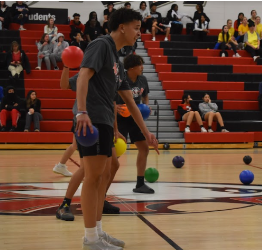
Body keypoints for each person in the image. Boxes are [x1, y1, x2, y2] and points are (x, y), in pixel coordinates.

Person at [75, 7, 158, 249]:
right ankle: (90, 239)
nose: (138, 34)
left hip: (103, 120)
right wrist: (81, 112)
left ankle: (97, 232)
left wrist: (146, 133)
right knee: (93, 178)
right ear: (122, 27)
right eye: (136, 28)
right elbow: (82, 75)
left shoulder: (116, 59)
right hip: (91, 119)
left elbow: (130, 101)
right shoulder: (101, 45)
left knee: (105, 173)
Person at [54, 67, 123, 216]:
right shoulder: (87, 71)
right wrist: (66, 66)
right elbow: (64, 85)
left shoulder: (111, 74)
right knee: (86, 168)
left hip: (105, 123)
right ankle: (64, 204)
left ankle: (100, 199)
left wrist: (115, 129)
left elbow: (113, 104)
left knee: (114, 164)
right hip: (88, 123)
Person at [116, 54, 156, 193]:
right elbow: (109, 96)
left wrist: (146, 106)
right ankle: (101, 179)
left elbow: (145, 96)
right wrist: (114, 107)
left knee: (144, 148)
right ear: (132, 67)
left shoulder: (143, 79)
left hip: (135, 117)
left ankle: (140, 184)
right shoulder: (121, 79)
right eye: (140, 64)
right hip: (119, 118)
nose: (142, 67)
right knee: (117, 152)